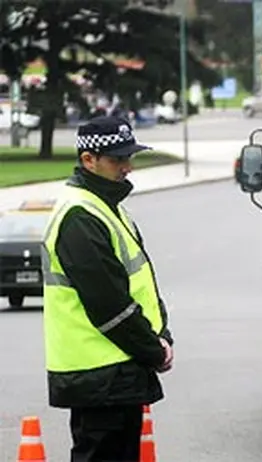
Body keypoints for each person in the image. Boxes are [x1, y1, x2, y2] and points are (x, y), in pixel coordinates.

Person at [42, 116, 175, 462]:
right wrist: (154, 349)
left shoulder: (107, 208)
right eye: (118, 159)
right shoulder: (80, 217)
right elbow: (110, 306)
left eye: (129, 157)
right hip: (99, 374)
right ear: (89, 160)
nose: (128, 167)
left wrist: (162, 334)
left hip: (115, 371)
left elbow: (140, 280)